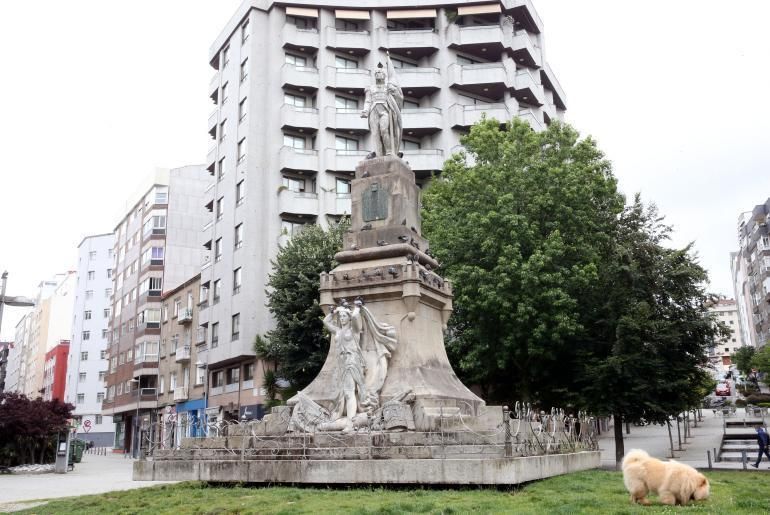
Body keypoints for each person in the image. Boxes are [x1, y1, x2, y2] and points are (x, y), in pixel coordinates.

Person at [361, 51, 403, 157]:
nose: (379, 75)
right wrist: (365, 110)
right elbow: (368, 101)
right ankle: (379, 155)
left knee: (384, 130)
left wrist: (393, 91)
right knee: (375, 134)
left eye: (381, 74)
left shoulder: (388, 87)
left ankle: (389, 151)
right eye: (377, 74)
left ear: (384, 76)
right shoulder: (370, 88)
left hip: (385, 111)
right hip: (373, 111)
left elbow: (399, 99)